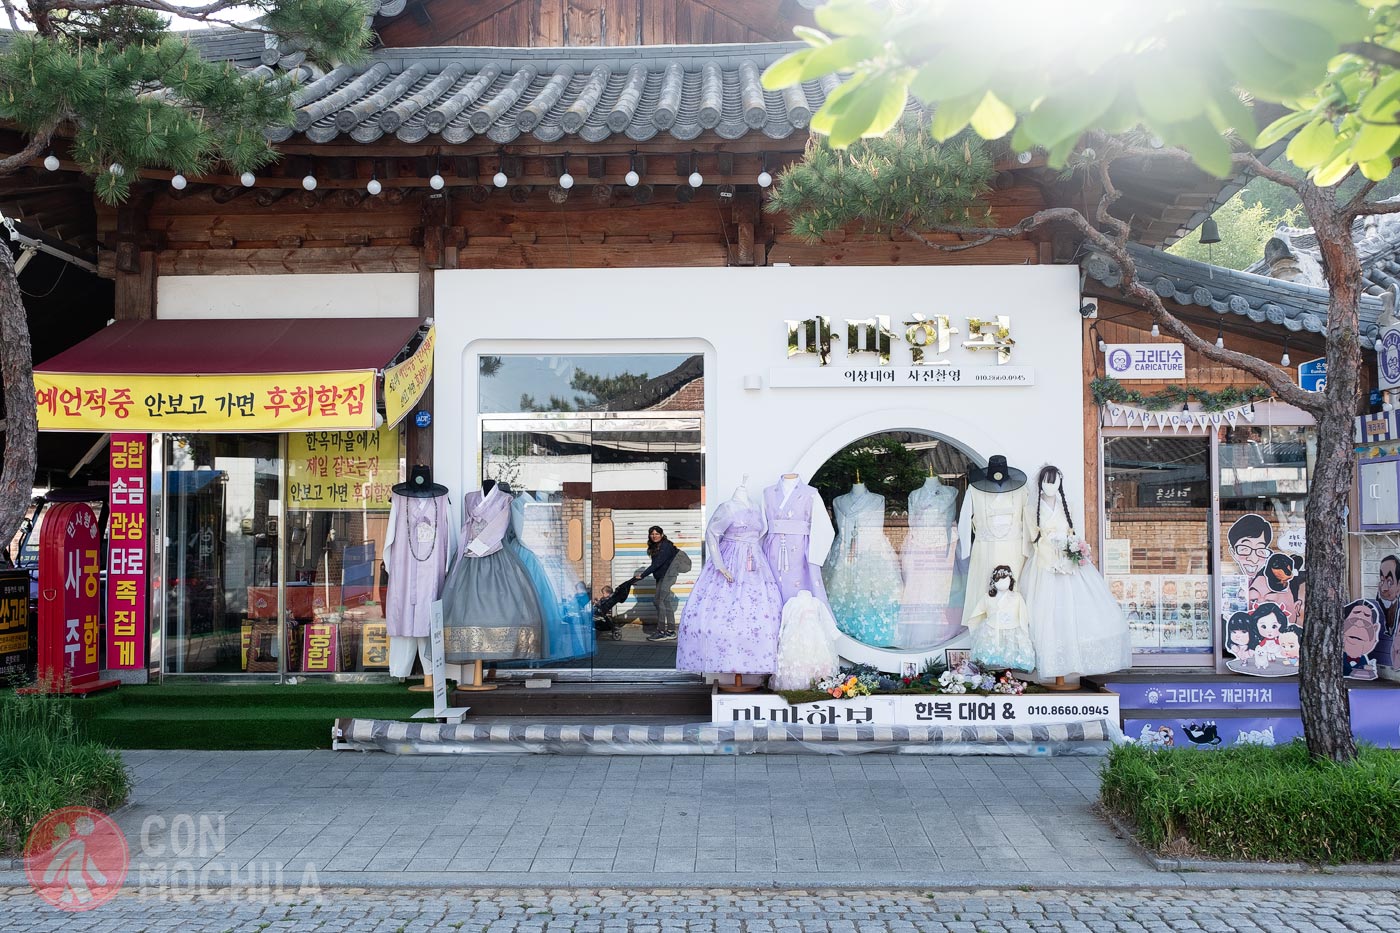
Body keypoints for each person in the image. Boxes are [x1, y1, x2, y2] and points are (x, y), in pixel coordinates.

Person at [635, 525, 682, 642]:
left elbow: (657, 564)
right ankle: (671, 631)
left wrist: (643, 574)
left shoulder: (666, 546)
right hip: (662, 577)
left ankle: (662, 631)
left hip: (668, 577)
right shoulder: (656, 546)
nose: (654, 536)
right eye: (652, 534)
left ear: (661, 534)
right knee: (665, 602)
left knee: (658, 601)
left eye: (656, 534)